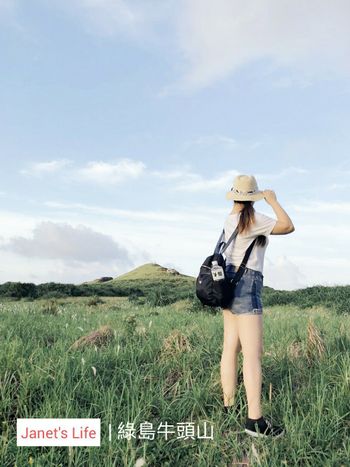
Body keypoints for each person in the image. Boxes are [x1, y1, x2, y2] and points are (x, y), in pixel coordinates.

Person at [220, 174, 295, 439]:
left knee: (231, 347)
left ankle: (228, 408)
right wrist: (273, 200)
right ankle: (255, 421)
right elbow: (288, 226)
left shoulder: (229, 221)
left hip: (227, 287)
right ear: (253, 197)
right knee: (253, 354)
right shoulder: (253, 221)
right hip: (247, 286)